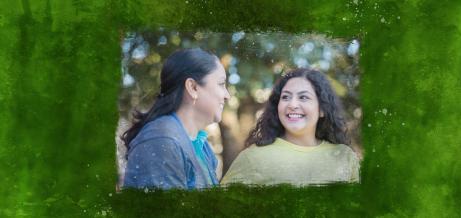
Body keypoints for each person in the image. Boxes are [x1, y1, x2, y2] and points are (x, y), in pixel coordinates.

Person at [221, 68, 359, 186]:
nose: (292, 104)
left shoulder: (344, 157)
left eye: (303, 97)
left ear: (322, 109)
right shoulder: (253, 157)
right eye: (285, 97)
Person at [122, 48, 230, 189]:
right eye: (221, 84)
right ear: (192, 87)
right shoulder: (161, 140)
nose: (227, 95)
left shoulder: (199, 143)